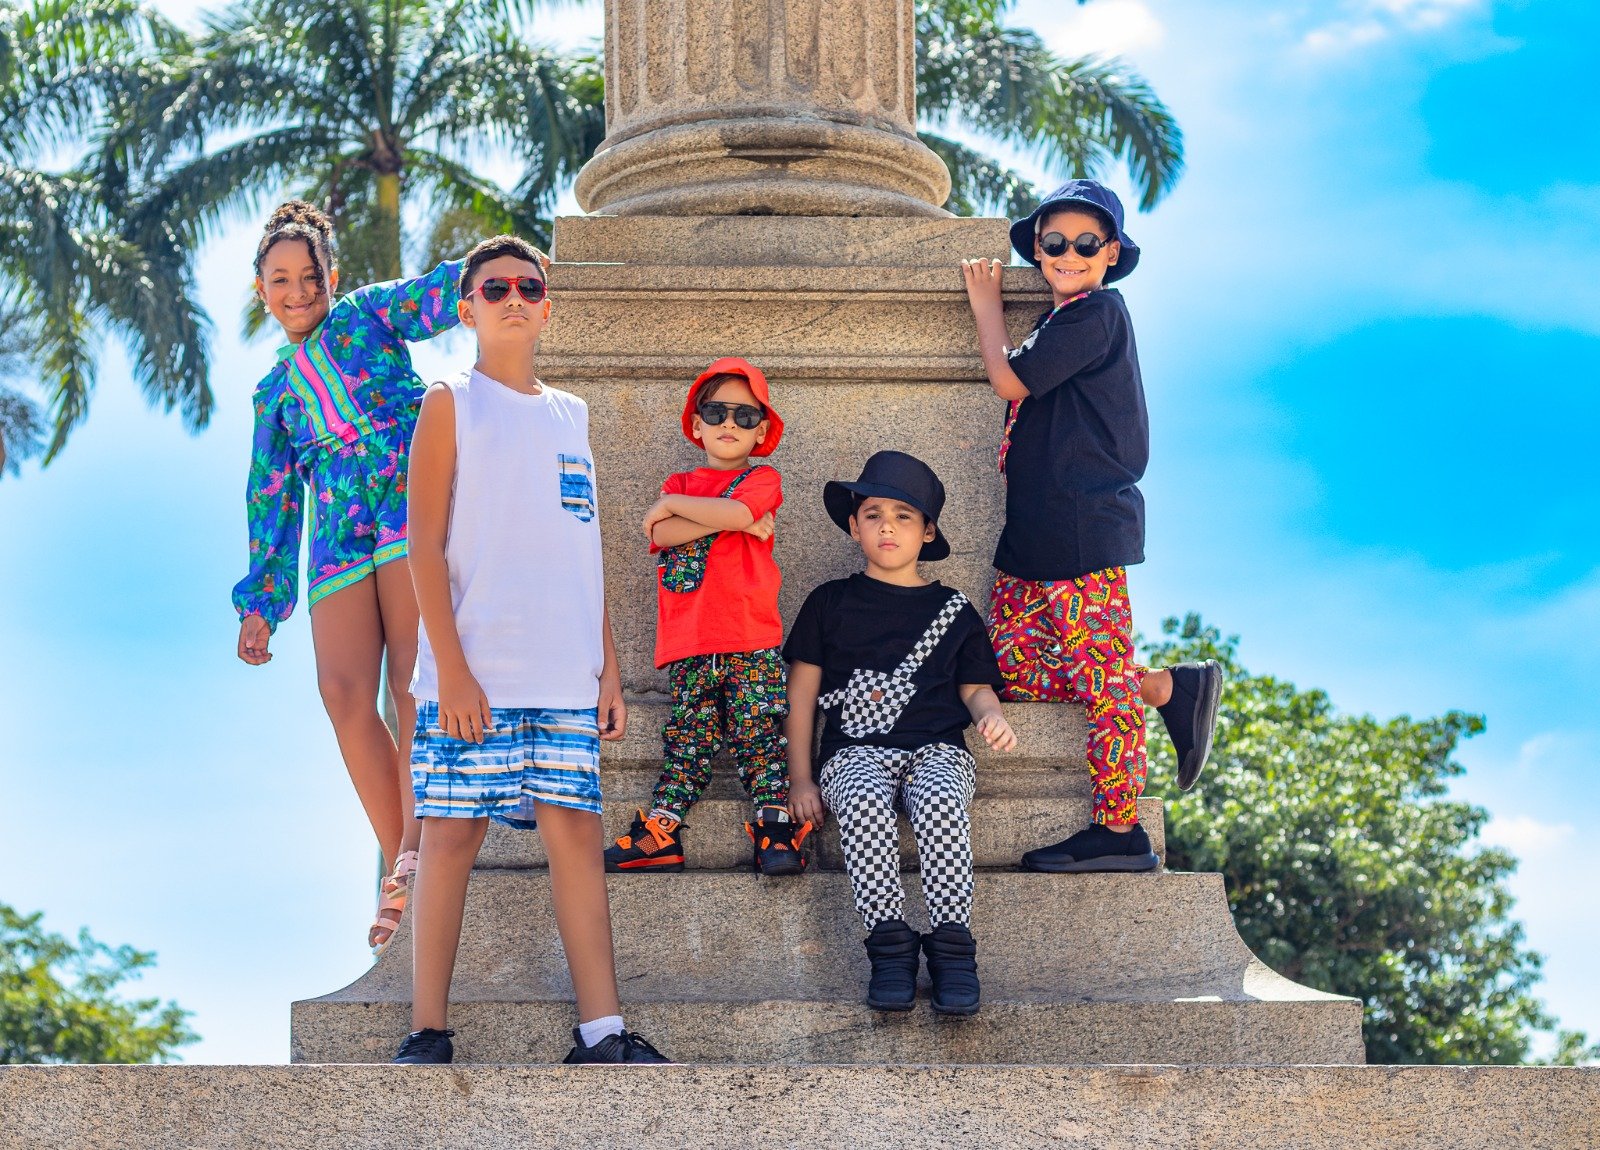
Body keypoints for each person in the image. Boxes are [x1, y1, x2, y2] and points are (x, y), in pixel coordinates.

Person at [392, 234, 668, 1065]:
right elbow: (421, 545)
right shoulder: (449, 402)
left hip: (563, 674)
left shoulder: (571, 414)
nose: (514, 298)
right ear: (467, 308)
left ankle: (602, 1033)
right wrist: (453, 671)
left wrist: (607, 667)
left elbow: (584, 546)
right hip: (472, 677)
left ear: (548, 309)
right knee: (450, 839)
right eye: (495, 288)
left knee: (576, 839)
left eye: (529, 287)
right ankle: (427, 1031)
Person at [960, 179, 1222, 874]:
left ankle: (1119, 829)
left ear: (1110, 253)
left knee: (1102, 681)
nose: (1068, 254)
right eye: (1054, 243)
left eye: (1085, 243)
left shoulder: (1098, 312)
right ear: (1038, 249)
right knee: (1011, 670)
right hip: (1032, 533)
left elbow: (1010, 381)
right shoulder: (1062, 321)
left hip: (1082, 525)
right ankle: (1165, 688)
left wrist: (986, 307)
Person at [232, 201, 461, 952]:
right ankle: (403, 860)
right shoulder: (273, 393)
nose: (297, 291)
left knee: (410, 681)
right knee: (341, 692)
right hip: (335, 531)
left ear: (332, 275)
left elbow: (434, 295)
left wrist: (498, 274)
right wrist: (263, 600)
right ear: (261, 289)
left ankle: (416, 856)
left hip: (403, 502)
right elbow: (271, 495)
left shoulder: (365, 316)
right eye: (280, 280)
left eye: (309, 276)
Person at [784, 451, 1016, 1016]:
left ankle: (953, 950)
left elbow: (975, 688)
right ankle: (889, 948)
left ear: (927, 531)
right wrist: (801, 778)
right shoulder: (829, 602)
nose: (887, 526)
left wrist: (990, 714)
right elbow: (801, 696)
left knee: (940, 801)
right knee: (862, 802)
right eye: (873, 514)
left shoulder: (954, 611)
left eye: (903, 515)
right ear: (854, 526)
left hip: (938, 749)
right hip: (853, 752)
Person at [604, 358, 810, 876]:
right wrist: (726, 520)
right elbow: (662, 534)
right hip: (692, 641)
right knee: (688, 740)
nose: (729, 423)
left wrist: (684, 508)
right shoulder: (681, 479)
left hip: (750, 637)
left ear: (761, 430)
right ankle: (662, 833)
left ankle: (775, 830)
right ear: (697, 425)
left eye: (745, 415)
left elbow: (736, 512)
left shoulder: (761, 478)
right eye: (716, 412)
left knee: (758, 735)